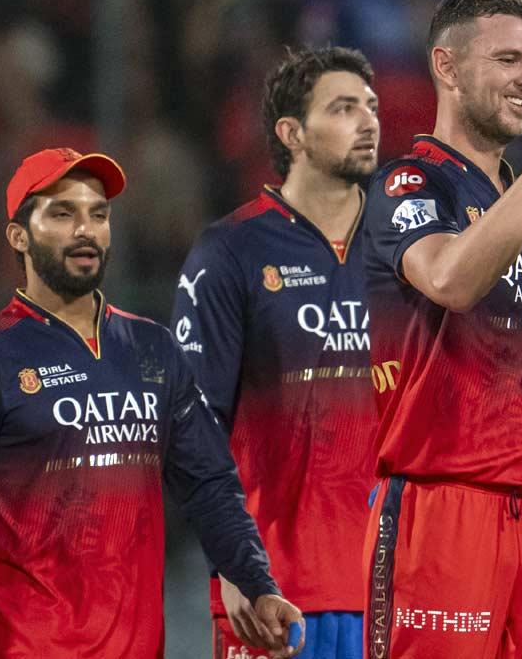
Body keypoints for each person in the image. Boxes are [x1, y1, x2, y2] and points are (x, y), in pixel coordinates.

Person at [0, 148, 305, 659]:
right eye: (62, 213)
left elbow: (209, 484)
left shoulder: (154, 350)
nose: (86, 230)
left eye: (98, 214)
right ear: (18, 236)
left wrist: (256, 582)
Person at [359, 0, 522, 659]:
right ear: (446, 67)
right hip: (441, 513)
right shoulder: (410, 183)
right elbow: (450, 278)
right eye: (507, 60)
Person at [171, 45, 380, 659]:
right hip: (273, 591)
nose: (368, 120)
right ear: (292, 133)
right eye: (343, 108)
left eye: (370, 105)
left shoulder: (407, 248)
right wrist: (229, 562)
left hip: (397, 582)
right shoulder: (229, 252)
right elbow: (191, 426)